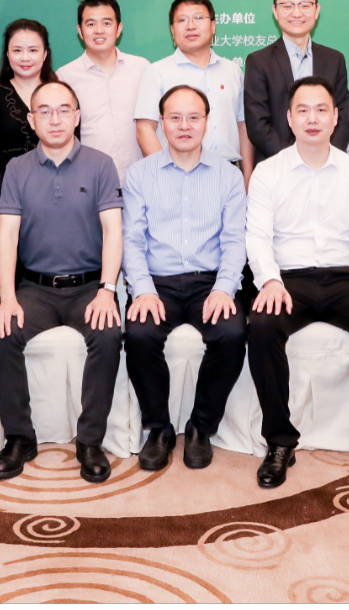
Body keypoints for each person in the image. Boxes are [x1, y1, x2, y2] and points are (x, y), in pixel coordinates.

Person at [246, 77, 349, 490]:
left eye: (321, 110)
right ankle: (279, 441)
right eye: (303, 110)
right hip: (289, 280)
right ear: (289, 118)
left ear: (336, 117)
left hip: (345, 278)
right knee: (261, 325)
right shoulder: (268, 172)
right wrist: (269, 281)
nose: (312, 118)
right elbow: (257, 236)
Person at [0, 81, 124, 484]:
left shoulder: (101, 164)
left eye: (64, 109)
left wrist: (107, 290)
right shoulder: (17, 169)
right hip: (35, 290)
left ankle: (90, 442)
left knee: (108, 334)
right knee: (1, 333)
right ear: (32, 120)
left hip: (88, 287)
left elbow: (113, 231)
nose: (55, 119)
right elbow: (7, 236)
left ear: (77, 116)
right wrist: (7, 297)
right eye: (44, 111)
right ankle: (19, 438)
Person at [123, 85, 247, 472]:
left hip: (209, 282)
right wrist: (142, 290)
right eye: (175, 117)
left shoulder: (228, 176)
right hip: (157, 282)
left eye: (194, 117)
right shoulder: (140, 174)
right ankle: (158, 428)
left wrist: (224, 288)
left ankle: (200, 427)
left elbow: (235, 241)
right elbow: (132, 240)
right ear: (161, 122)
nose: (184, 125)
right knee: (139, 334)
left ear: (207, 122)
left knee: (231, 333)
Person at [135, 0, 253, 183]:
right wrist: (165, 175)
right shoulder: (157, 72)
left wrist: (247, 177)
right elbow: (145, 130)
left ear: (213, 26)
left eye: (198, 18)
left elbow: (243, 127)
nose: (191, 26)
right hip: (178, 174)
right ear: (172, 30)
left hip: (229, 174)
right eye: (182, 20)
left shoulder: (232, 70)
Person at [244, 0, 349, 161]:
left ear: (316, 10)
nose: (296, 13)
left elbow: (341, 119)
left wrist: (323, 158)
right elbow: (258, 126)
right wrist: (295, 160)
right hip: (276, 166)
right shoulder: (258, 61)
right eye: (287, 6)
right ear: (275, 11)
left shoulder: (334, 60)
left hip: (327, 166)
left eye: (304, 5)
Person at [57, 0, 150, 184]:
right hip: (89, 183)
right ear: (80, 31)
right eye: (91, 24)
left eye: (107, 23)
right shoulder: (64, 77)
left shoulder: (142, 68)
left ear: (119, 29)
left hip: (141, 181)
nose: (99, 30)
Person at [0, 19, 58, 175]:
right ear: (7, 54)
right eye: (17, 50)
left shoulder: (61, 94)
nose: (25, 58)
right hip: (9, 185)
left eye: (33, 50)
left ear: (45, 54)